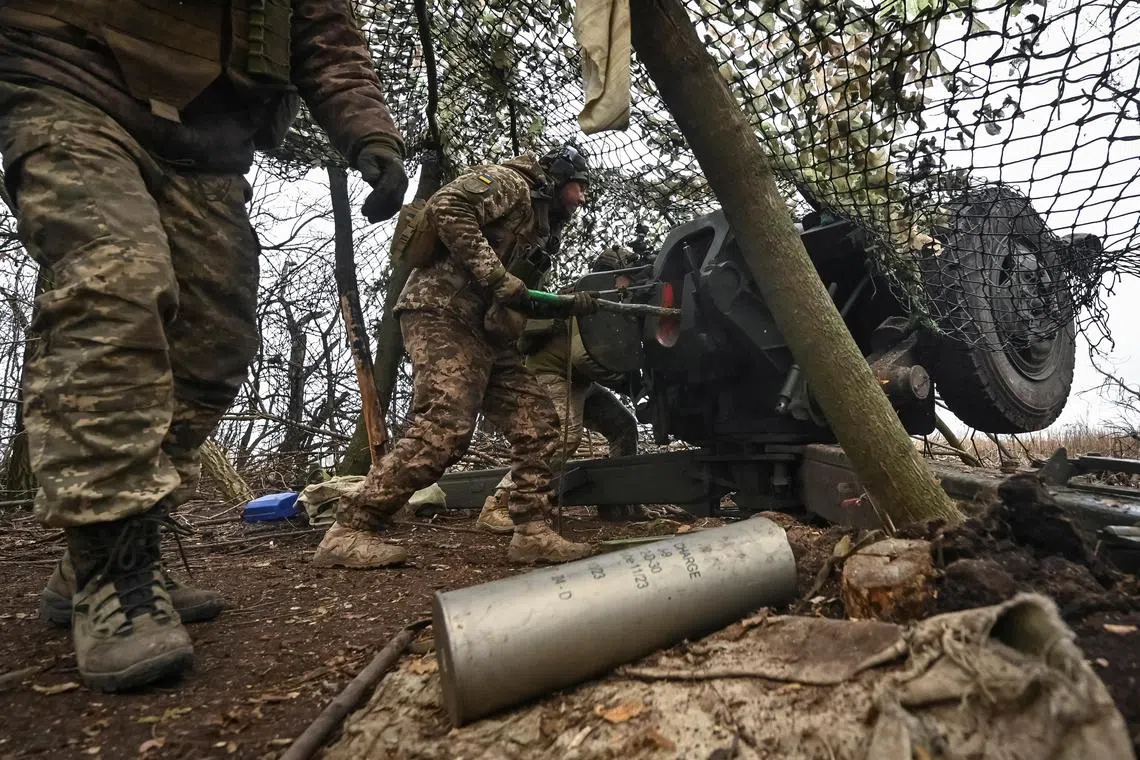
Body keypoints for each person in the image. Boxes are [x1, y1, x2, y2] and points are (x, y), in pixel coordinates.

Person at [0, 2, 408, 691]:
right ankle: (110, 561)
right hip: (68, 79)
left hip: (205, 135)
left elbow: (323, 31)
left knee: (217, 338)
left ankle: (111, 547)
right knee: (115, 286)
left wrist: (371, 134)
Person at [313, 145, 599, 569]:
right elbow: (448, 205)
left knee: (537, 421)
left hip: (484, 329)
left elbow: (514, 292)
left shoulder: (540, 226)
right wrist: (495, 275)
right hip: (440, 311)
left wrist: (565, 304)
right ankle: (350, 530)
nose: (580, 199)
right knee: (445, 423)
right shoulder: (512, 184)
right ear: (558, 178)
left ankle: (532, 532)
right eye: (578, 187)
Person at [475, 245, 641, 533]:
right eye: (626, 276)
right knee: (564, 437)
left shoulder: (605, 297)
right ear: (611, 275)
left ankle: (620, 501)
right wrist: (626, 382)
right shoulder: (586, 298)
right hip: (551, 375)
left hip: (578, 380)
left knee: (624, 427)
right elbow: (584, 357)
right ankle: (500, 502)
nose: (630, 282)